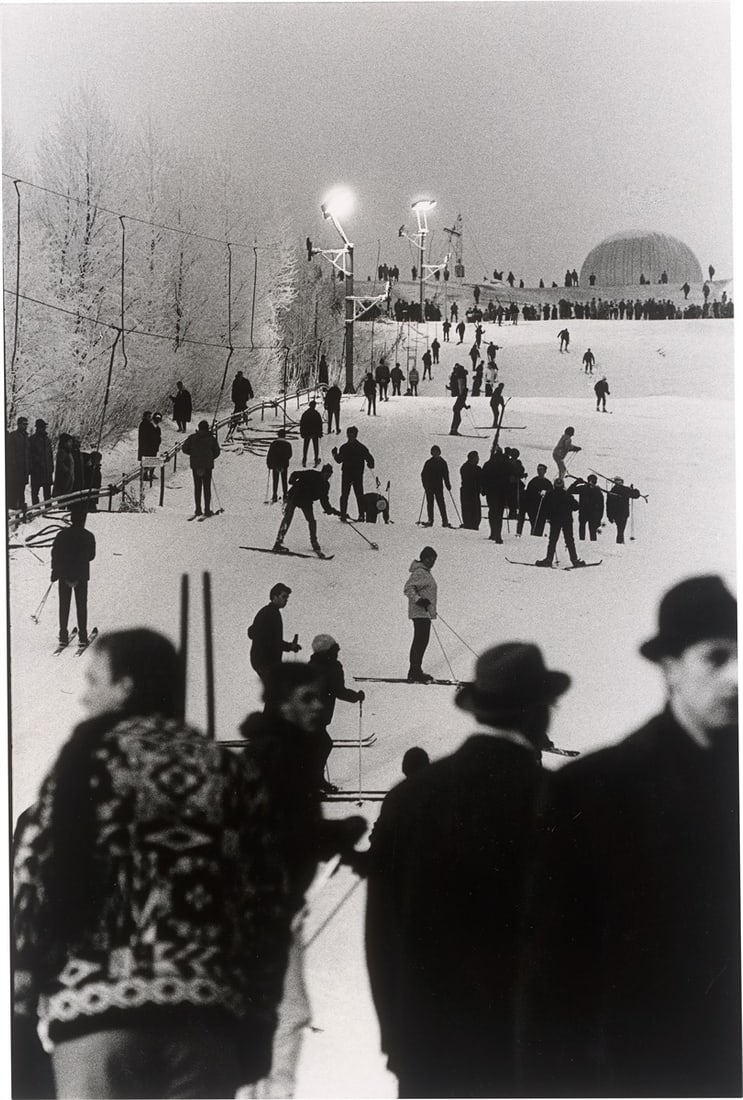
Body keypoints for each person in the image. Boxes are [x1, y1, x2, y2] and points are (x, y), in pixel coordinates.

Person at [13, 628, 292, 1100]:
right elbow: (268, 900)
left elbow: (33, 879)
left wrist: (21, 1005)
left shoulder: (86, 761)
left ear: (125, 686)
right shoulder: (228, 769)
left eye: (93, 679)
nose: (84, 697)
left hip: (96, 1020)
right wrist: (259, 1021)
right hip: (205, 1021)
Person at [519, 576, 740, 1097]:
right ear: (669, 668)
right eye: (716, 657)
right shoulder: (594, 790)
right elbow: (553, 985)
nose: (737, 677)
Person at [366, 642, 570, 1098]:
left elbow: (382, 935)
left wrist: (400, 1045)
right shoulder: (561, 801)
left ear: (478, 710)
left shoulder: (409, 799)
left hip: (428, 1052)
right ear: (539, 711)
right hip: (529, 1056)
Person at [238, 664, 367, 1097]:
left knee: (276, 1010)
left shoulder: (287, 748)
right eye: (308, 698)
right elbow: (275, 829)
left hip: (271, 902)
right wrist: (335, 835)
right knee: (286, 1011)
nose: (319, 706)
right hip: (260, 905)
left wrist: (340, 845)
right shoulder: (277, 754)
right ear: (282, 703)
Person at [308, 634, 366, 789]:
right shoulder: (332, 667)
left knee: (316, 746)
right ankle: (312, 783)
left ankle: (314, 781)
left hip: (307, 714)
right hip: (318, 715)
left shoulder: (311, 664)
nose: (337, 653)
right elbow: (339, 690)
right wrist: (357, 696)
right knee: (322, 745)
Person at [50, 503, 96, 646]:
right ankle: (83, 635)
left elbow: (55, 554)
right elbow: (91, 556)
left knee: (64, 604)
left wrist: (54, 571)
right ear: (83, 520)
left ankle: (63, 634)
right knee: (81, 605)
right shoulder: (88, 536)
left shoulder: (61, 535)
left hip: (64, 574)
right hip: (81, 575)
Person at [273, 464, 340, 557]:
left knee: (311, 521)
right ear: (322, 472)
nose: (327, 477)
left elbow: (324, 501)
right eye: (326, 474)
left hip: (306, 501)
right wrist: (292, 482)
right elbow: (295, 474)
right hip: (294, 496)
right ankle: (278, 542)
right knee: (288, 518)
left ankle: (314, 542)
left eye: (329, 475)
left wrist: (331, 511)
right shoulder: (311, 474)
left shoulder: (325, 485)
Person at [248, 582, 301, 684]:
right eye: (283, 597)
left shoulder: (266, 612)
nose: (286, 600)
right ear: (274, 597)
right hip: (266, 662)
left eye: (287, 598)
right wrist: (290, 646)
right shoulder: (271, 613)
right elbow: (272, 641)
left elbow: (252, 632)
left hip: (262, 661)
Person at [403, 546, 438, 683]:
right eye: (431, 559)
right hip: (420, 613)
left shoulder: (425, 572)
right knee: (420, 641)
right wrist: (419, 600)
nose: (433, 562)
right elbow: (408, 588)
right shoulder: (420, 572)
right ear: (424, 558)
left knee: (422, 641)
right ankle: (414, 671)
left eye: (434, 559)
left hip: (424, 613)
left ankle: (416, 670)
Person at [536, 478, 584, 567]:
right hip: (567, 520)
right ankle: (574, 560)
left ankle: (549, 559)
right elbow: (576, 507)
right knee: (569, 540)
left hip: (555, 521)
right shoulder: (567, 495)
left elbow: (545, 508)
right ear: (562, 485)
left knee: (553, 540)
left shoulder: (550, 494)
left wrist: (548, 516)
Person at [332, 426, 375, 522]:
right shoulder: (359, 447)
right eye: (349, 435)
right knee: (347, 495)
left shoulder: (346, 447)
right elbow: (339, 460)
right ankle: (346, 514)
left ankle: (360, 515)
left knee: (357, 495)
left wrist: (335, 454)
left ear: (355, 435)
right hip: (351, 474)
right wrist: (370, 464)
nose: (350, 437)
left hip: (354, 475)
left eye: (352, 435)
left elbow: (369, 458)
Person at [182, 419, 220, 517]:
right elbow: (217, 451)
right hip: (207, 466)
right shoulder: (211, 438)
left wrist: (194, 454)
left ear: (199, 428)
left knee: (197, 487)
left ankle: (198, 509)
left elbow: (185, 449)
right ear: (207, 428)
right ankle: (207, 509)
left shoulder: (192, 438)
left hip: (196, 465)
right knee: (207, 488)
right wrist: (210, 457)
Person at [480, 445, 510, 543]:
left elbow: (483, 478)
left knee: (492, 511)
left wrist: (483, 489)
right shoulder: (505, 464)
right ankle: (497, 534)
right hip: (501, 492)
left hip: (491, 492)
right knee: (499, 514)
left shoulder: (488, 464)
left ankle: (493, 532)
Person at [420, 445, 452, 528]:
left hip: (438, 486)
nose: (435, 453)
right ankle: (430, 520)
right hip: (430, 487)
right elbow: (423, 475)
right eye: (434, 452)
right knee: (430, 503)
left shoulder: (443, 462)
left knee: (441, 503)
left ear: (439, 452)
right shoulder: (428, 462)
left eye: (436, 452)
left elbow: (446, 474)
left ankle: (445, 520)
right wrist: (425, 485)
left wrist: (447, 484)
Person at [517, 464, 552, 536]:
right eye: (538, 469)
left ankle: (538, 535)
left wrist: (546, 493)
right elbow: (529, 492)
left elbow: (551, 493)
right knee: (534, 523)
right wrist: (537, 493)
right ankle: (534, 535)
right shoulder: (533, 481)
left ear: (545, 471)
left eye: (541, 469)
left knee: (541, 523)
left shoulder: (548, 483)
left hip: (543, 507)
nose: (539, 471)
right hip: (533, 507)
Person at [606, 475, 641, 543]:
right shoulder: (622, 490)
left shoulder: (616, 490)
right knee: (621, 528)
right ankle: (620, 541)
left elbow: (635, 495)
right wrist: (609, 516)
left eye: (619, 481)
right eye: (617, 481)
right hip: (619, 513)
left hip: (621, 513)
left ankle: (620, 541)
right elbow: (608, 505)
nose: (618, 482)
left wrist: (634, 490)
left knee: (620, 528)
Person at [6, 415, 30, 512]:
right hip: (16, 470)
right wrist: (13, 466)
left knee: (21, 489)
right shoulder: (13, 436)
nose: (25, 426)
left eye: (26, 424)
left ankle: (21, 506)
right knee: (14, 488)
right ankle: (14, 506)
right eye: (24, 424)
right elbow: (10, 453)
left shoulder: (26, 437)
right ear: (19, 424)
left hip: (24, 469)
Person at [29, 418, 54, 506]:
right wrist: (35, 463)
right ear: (38, 428)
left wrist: (51, 468)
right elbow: (30, 455)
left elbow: (50, 455)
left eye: (44, 427)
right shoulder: (32, 439)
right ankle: (36, 508)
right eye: (42, 427)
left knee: (47, 493)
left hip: (47, 470)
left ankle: (48, 508)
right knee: (35, 492)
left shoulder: (47, 439)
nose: (43, 429)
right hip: (37, 471)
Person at [574, 474, 604, 541]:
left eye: (593, 481)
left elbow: (601, 507)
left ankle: (592, 545)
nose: (591, 482)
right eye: (590, 480)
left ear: (595, 482)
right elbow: (570, 491)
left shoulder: (598, 492)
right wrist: (577, 482)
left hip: (593, 514)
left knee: (592, 531)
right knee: (582, 528)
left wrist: (599, 518)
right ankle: (581, 542)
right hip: (583, 512)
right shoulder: (583, 488)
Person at [266, 428, 292, 503]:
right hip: (284, 465)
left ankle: (274, 495)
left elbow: (270, 454)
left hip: (275, 464)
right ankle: (285, 495)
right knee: (284, 480)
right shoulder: (287, 444)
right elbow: (290, 454)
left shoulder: (274, 444)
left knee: (275, 480)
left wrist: (269, 463)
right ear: (284, 436)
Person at [459, 450, 482, 530]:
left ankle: (475, 524)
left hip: (475, 492)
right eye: (476, 458)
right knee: (467, 509)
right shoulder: (465, 468)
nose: (478, 459)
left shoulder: (478, 468)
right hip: (467, 492)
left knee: (476, 510)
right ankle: (468, 524)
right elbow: (468, 479)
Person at [137, 411, 160, 485]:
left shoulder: (146, 424)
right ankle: (145, 475)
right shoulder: (145, 425)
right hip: (148, 446)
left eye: (150, 416)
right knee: (148, 460)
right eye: (148, 417)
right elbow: (150, 435)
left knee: (150, 459)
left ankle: (148, 474)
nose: (150, 418)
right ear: (145, 417)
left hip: (149, 446)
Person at [299, 400, 323, 467]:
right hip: (315, 433)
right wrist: (320, 433)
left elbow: (302, 424)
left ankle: (304, 459)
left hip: (307, 433)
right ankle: (316, 459)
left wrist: (302, 433)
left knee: (305, 447)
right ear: (314, 406)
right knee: (316, 447)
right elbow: (319, 424)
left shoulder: (305, 414)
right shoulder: (317, 414)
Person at [52, 433, 75, 499]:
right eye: (69, 442)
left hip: (68, 479)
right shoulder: (62, 452)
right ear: (64, 443)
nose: (71, 443)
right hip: (63, 480)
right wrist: (66, 470)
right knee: (63, 498)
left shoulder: (68, 452)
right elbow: (60, 463)